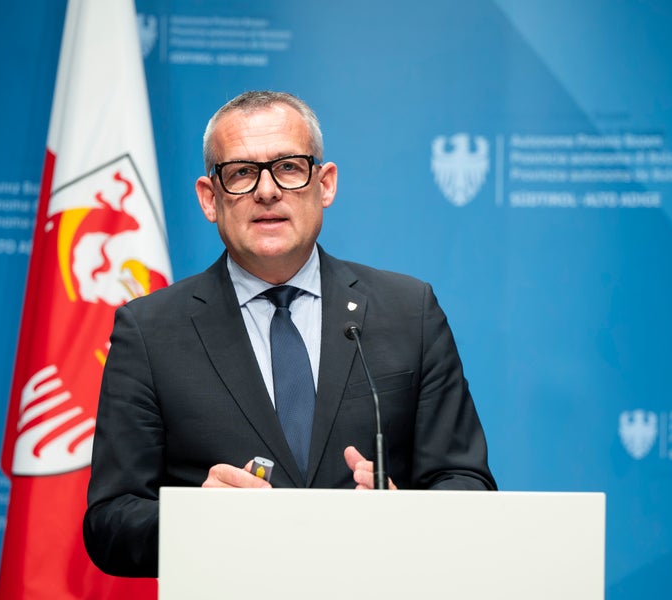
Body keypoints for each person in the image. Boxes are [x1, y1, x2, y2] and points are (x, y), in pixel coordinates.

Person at [83, 90, 496, 577]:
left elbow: (467, 482)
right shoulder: (149, 331)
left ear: (325, 184)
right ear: (210, 198)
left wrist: (405, 515)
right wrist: (195, 521)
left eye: (288, 167)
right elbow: (110, 522)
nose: (267, 191)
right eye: (241, 172)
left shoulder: (409, 311)